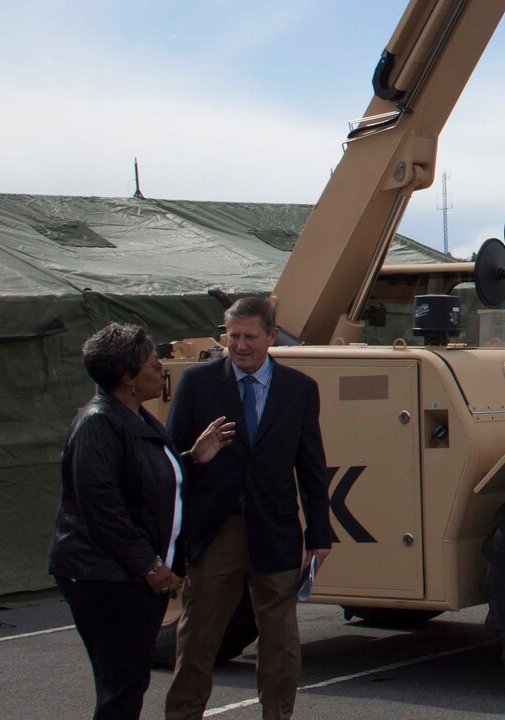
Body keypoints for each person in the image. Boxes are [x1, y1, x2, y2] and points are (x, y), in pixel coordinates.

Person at [47, 323, 235, 720]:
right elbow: (102, 508)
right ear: (128, 379)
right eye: (153, 365)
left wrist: (192, 461)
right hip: (107, 577)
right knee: (121, 687)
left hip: (128, 575)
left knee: (129, 683)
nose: (161, 370)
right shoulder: (100, 423)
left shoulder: (135, 418)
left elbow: (143, 483)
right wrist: (148, 566)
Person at [165, 297, 333, 720]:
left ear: (271, 337)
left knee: (279, 641)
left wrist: (319, 536)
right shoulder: (198, 383)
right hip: (216, 530)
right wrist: (194, 456)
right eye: (232, 336)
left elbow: (312, 468)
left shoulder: (299, 389)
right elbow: (170, 466)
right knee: (199, 637)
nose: (239, 346)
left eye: (249, 337)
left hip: (274, 531)